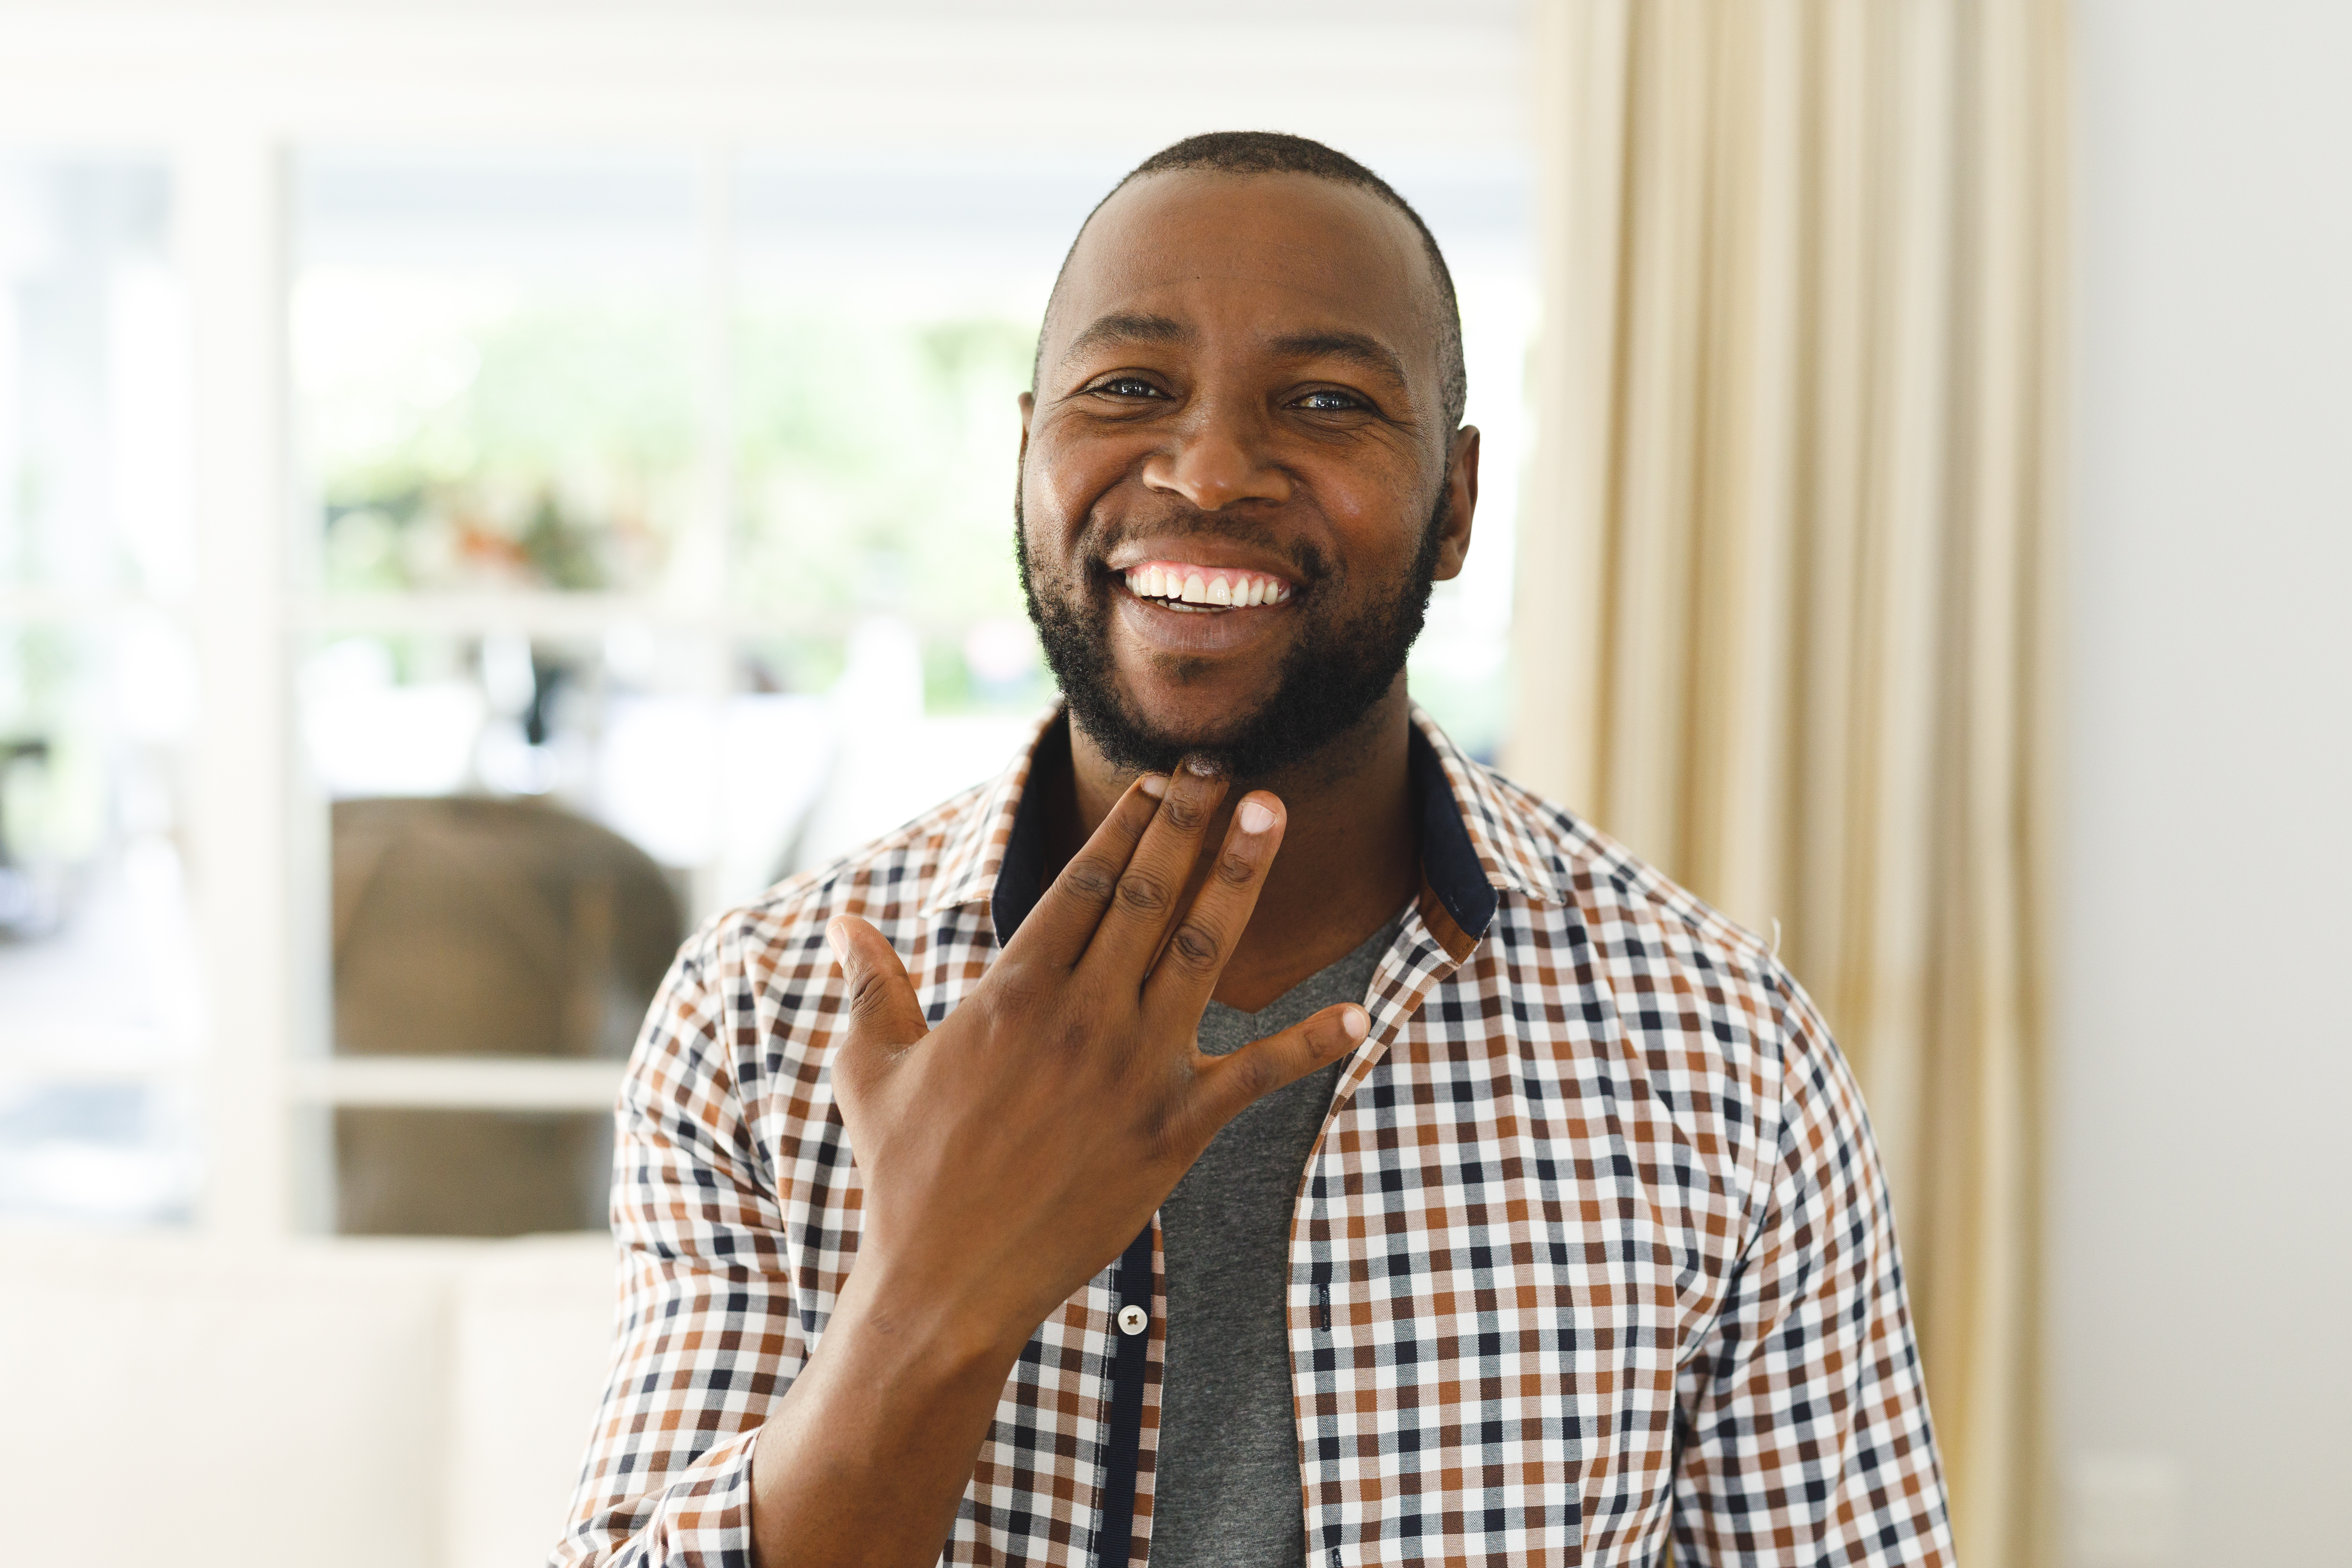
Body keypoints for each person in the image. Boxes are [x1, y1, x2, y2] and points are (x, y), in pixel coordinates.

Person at [554, 132, 1954, 1568]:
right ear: (1029, 451)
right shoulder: (769, 1017)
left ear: (1457, 505)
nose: (1210, 468)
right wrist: (933, 1291)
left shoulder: (1721, 1046)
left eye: (1329, 400)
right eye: (1130, 388)